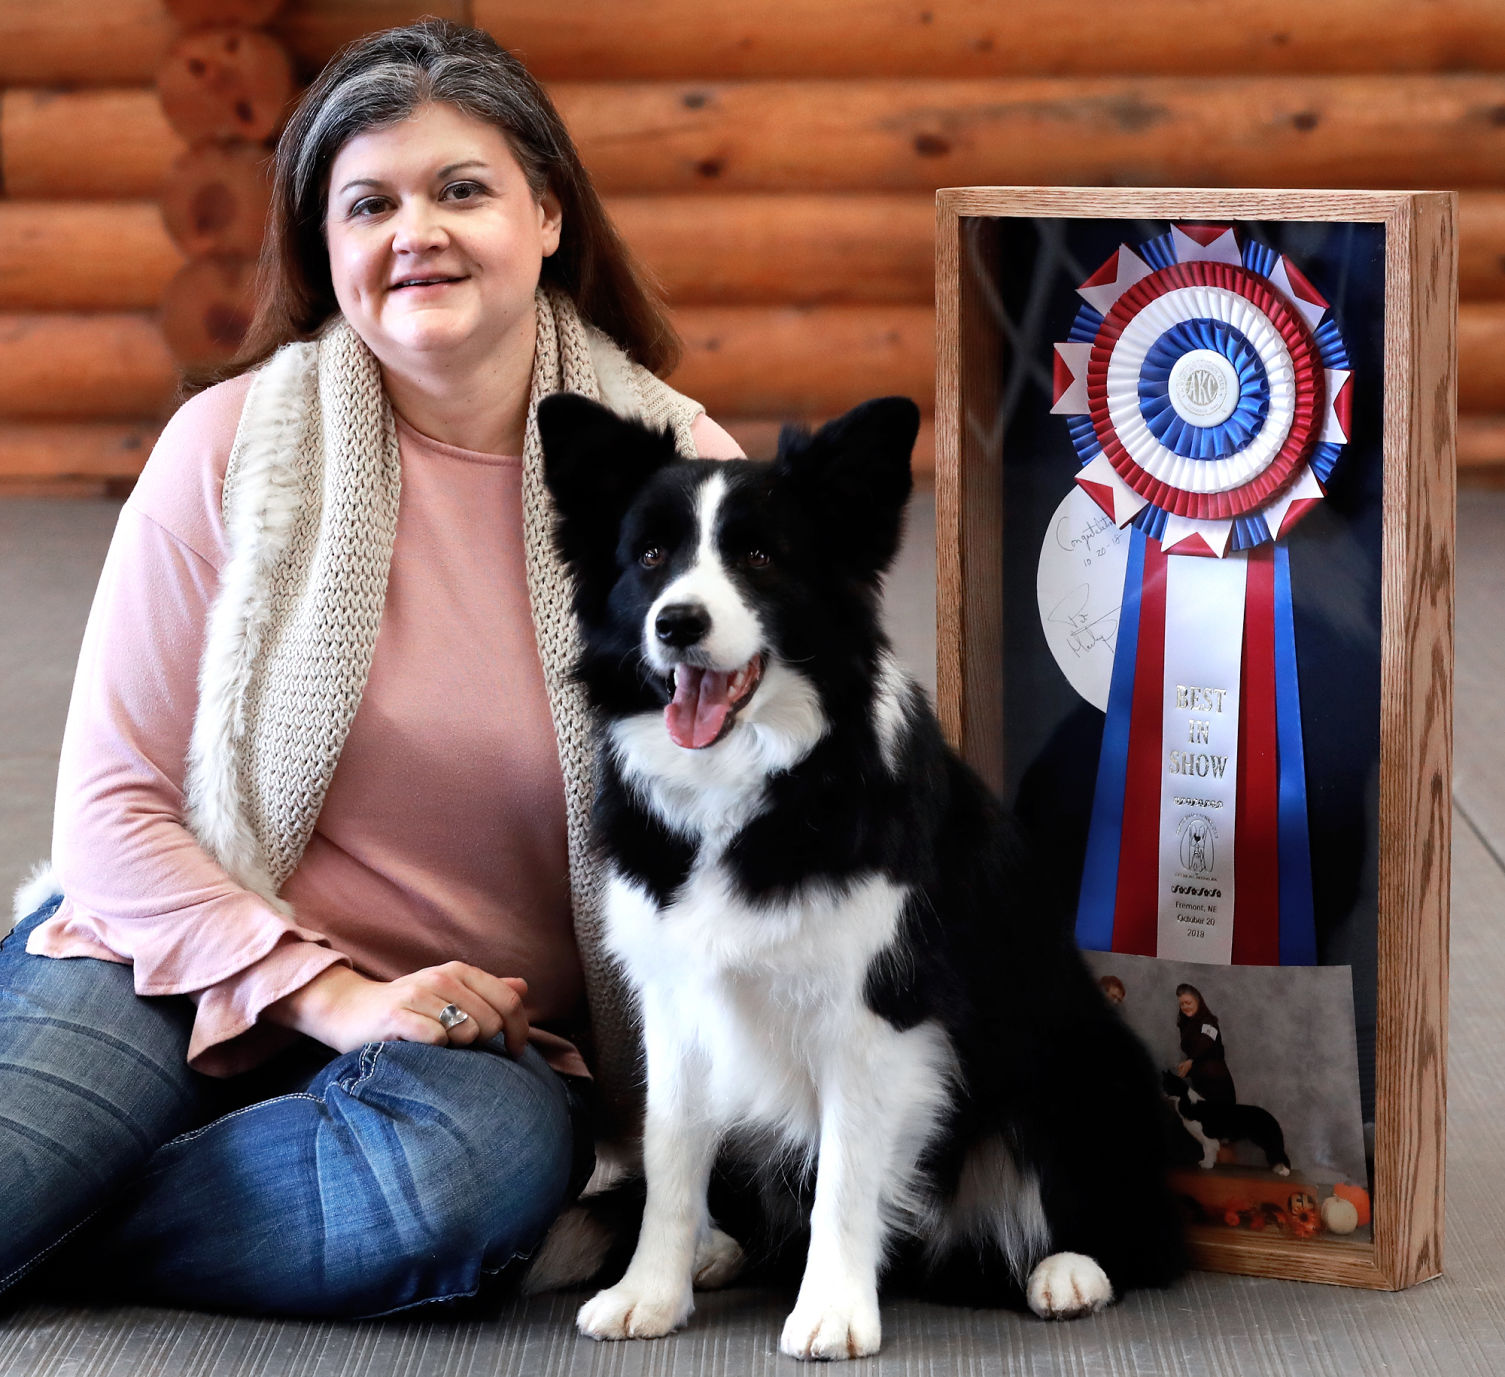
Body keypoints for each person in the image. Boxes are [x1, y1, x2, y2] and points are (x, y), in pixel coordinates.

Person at [0, 19, 740, 1317]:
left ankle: (89, 1231)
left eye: (462, 189)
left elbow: (767, 823)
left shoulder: (686, 485)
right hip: (177, 959)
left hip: (478, 1042)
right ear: (324, 245)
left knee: (451, 1190)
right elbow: (111, 815)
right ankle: (105, 1196)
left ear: (550, 212)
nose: (418, 231)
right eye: (369, 203)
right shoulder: (227, 447)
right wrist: (335, 997)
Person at [1174, 983, 1237, 1104]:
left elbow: (1206, 1042)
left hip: (1217, 1084)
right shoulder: (1186, 1025)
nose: (1185, 1006)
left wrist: (1190, 1061)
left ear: (1198, 1001)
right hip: (1201, 1083)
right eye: (1182, 1003)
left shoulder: (1209, 1022)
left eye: (1188, 1002)